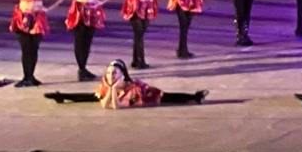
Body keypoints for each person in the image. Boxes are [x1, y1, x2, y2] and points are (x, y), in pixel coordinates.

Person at [46, 60, 207, 108]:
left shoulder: (132, 86)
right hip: (116, 93)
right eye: (109, 73)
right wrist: (110, 88)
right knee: (90, 97)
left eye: (114, 73)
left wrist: (114, 88)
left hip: (135, 95)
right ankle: (62, 96)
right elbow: (104, 104)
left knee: (165, 97)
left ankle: (194, 97)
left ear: (122, 74)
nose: (110, 75)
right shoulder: (106, 81)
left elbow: (115, 107)